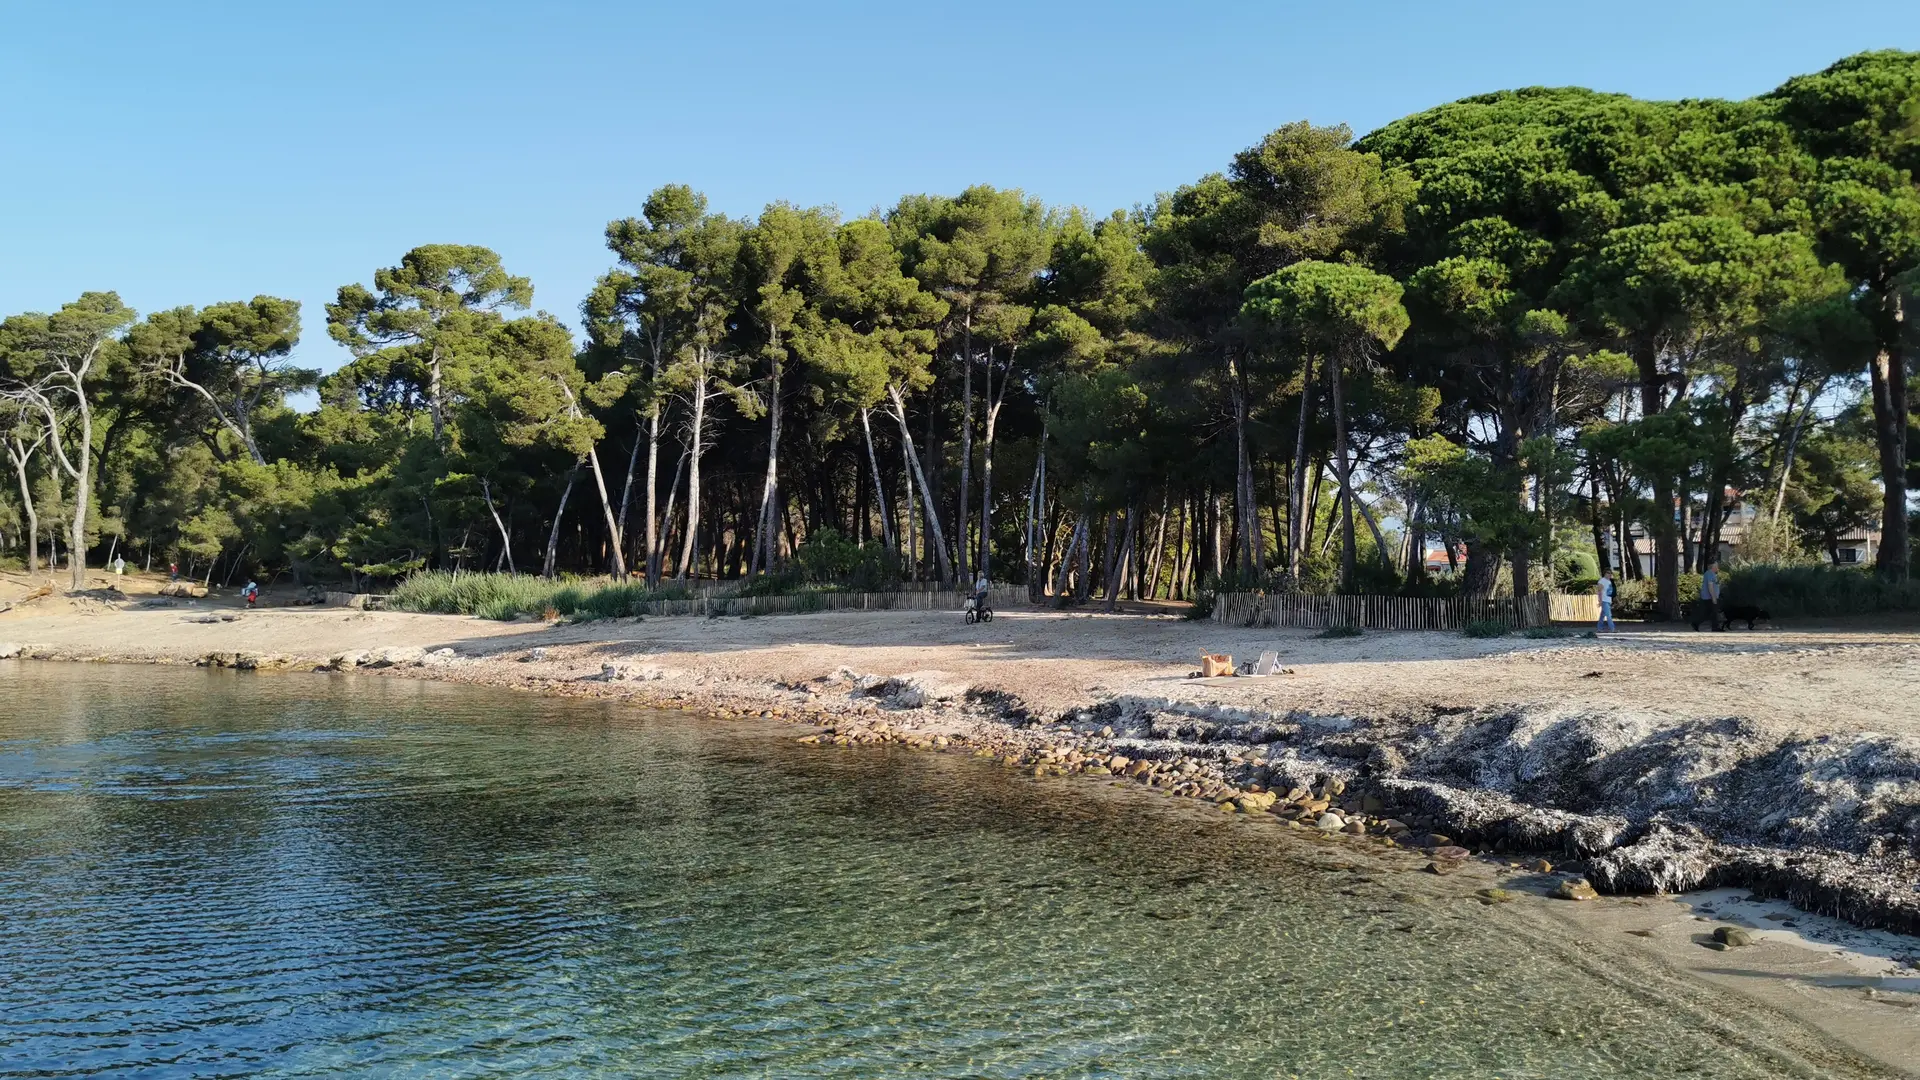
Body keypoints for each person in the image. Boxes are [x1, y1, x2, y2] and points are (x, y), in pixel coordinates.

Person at [1699, 559, 1721, 631]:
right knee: (1713, 612)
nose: (1718, 567)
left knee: (1710, 612)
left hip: (1711, 597)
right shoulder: (1709, 573)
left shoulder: (1713, 574)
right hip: (1709, 597)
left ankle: (1715, 627)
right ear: (1712, 566)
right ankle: (1715, 627)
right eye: (1716, 565)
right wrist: (1714, 597)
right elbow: (1710, 586)